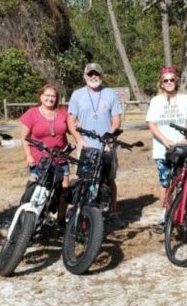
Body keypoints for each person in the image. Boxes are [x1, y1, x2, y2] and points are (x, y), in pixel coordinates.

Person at [67, 63, 124, 228]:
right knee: (83, 180)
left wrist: (110, 138)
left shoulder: (110, 93)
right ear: (85, 76)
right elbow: (71, 120)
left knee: (109, 179)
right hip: (86, 146)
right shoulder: (77, 95)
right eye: (90, 74)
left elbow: (116, 119)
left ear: (101, 75)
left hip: (106, 146)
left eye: (96, 74)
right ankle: (81, 213)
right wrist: (79, 139)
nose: (93, 77)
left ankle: (112, 211)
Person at [145, 66, 187, 227]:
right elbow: (151, 124)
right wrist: (165, 140)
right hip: (163, 149)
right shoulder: (156, 101)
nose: (169, 82)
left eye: (171, 79)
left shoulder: (185, 99)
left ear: (176, 81)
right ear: (161, 83)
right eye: (165, 80)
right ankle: (165, 213)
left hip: (182, 147)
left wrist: (186, 137)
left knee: (183, 181)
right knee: (166, 182)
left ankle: (182, 211)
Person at [20, 84, 69, 230]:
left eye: (53, 96)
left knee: (64, 188)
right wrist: (28, 155)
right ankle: (30, 221)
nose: (49, 98)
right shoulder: (32, 113)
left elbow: (74, 127)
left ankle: (60, 219)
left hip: (60, 158)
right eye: (46, 95)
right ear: (41, 97)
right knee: (38, 190)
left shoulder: (63, 112)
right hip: (39, 158)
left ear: (57, 98)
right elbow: (24, 137)